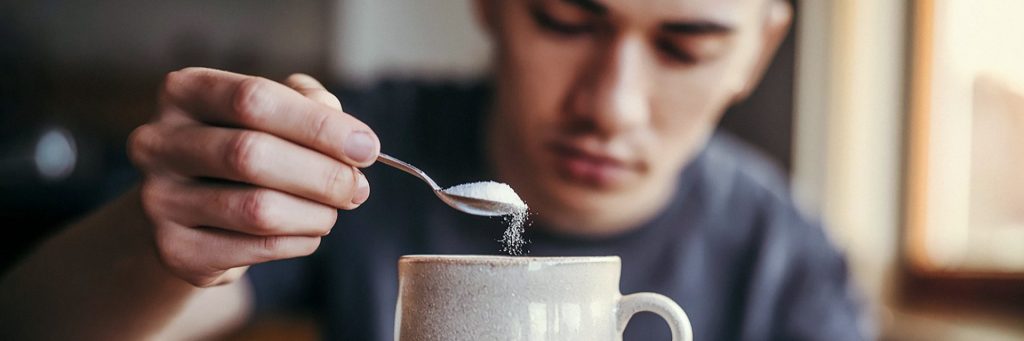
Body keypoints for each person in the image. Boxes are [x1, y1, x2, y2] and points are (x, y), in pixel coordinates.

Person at [0, 0, 870, 340]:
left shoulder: (783, 256)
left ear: (758, 49)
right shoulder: (361, 141)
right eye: (566, 20)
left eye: (686, 44)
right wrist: (163, 242)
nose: (612, 103)